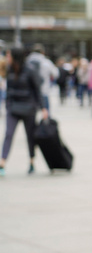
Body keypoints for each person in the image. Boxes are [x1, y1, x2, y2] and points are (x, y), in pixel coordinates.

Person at [1, 48, 48, 176]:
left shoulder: (30, 70)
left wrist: (43, 108)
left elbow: (38, 89)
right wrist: (8, 105)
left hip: (29, 108)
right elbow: (8, 89)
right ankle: (2, 162)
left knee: (30, 136)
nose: (7, 58)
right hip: (13, 108)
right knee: (8, 134)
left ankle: (31, 161)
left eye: (9, 55)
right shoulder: (9, 69)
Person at [25, 43, 58, 111]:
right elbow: (56, 74)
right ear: (43, 52)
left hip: (29, 93)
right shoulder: (46, 62)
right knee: (46, 113)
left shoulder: (26, 61)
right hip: (44, 90)